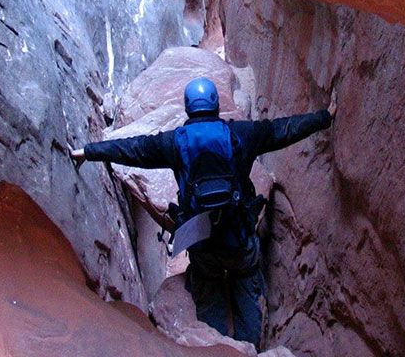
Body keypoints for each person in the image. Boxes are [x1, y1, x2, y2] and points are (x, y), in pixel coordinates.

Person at [70, 77, 334, 347]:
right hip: (239, 238)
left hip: (203, 242)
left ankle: (217, 348)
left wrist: (88, 152)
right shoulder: (241, 135)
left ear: (188, 108)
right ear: (216, 105)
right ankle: (249, 349)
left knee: (208, 292)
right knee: (247, 286)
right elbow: (284, 130)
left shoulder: (175, 143)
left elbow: (132, 149)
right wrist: (324, 117)